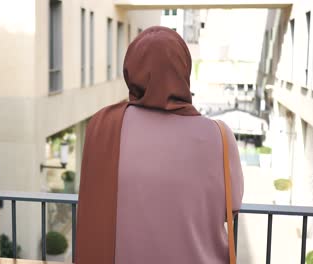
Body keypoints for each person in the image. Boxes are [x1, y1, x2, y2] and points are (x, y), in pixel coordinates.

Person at [75, 26, 244, 264]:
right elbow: (231, 209)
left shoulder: (103, 126)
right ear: (183, 69)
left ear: (130, 72)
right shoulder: (220, 136)